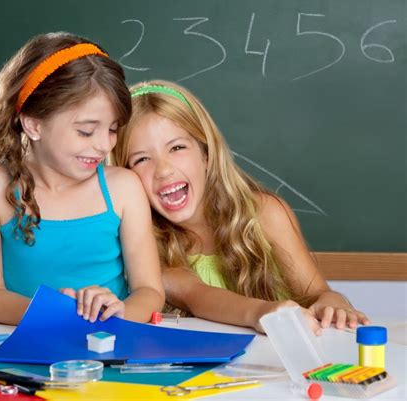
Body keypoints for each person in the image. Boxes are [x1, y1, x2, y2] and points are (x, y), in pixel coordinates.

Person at [112, 80, 369, 334]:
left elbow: (318, 293)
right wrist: (260, 313)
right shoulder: (148, 246)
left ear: (206, 153)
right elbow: (196, 296)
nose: (164, 170)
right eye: (141, 159)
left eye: (177, 147)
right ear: (124, 176)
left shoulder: (266, 213)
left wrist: (333, 303)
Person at [0, 33, 164, 326]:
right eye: (86, 131)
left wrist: (121, 312)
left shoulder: (123, 188)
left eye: (112, 129)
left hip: (112, 342)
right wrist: (53, 313)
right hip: (28, 348)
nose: (104, 145)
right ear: (34, 124)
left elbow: (149, 291)